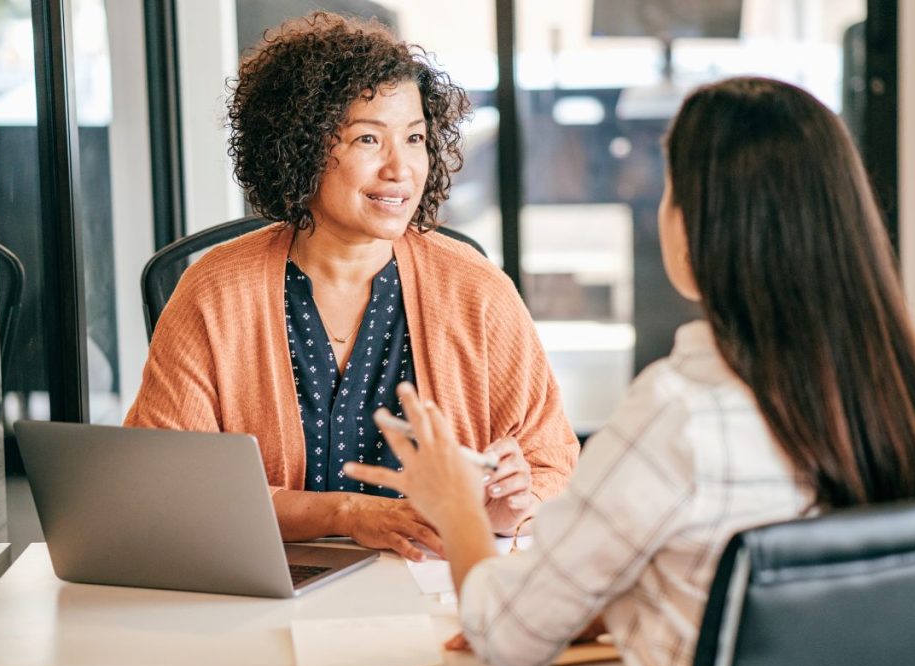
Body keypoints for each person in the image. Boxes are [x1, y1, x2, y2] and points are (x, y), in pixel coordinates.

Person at [344, 76, 915, 666]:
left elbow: (505, 634)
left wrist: (457, 509)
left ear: (701, 229)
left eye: (670, 191)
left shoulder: (680, 414)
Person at [125, 12, 578, 561]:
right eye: (369, 138)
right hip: (268, 586)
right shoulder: (216, 290)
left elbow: (551, 463)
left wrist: (512, 506)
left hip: (438, 582)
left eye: (414, 138)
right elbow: (170, 485)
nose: (401, 168)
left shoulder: (476, 289)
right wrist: (345, 513)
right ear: (302, 146)